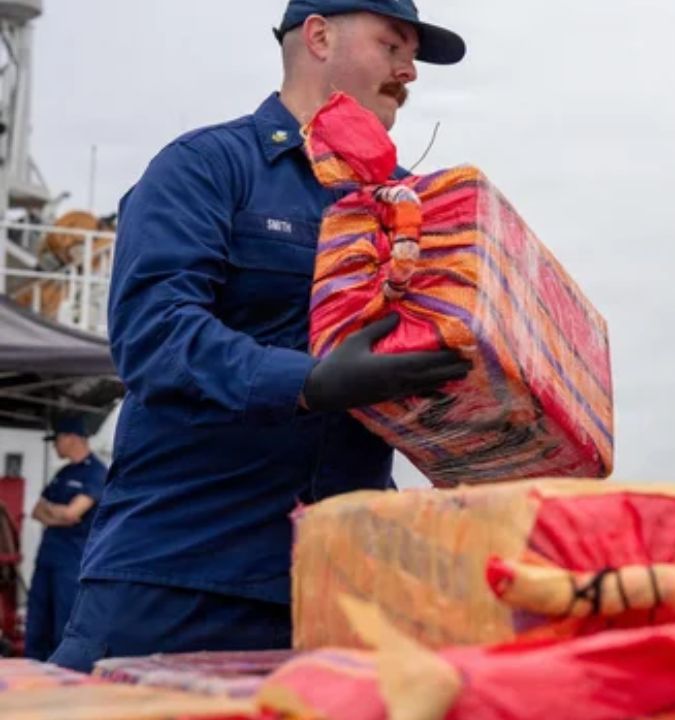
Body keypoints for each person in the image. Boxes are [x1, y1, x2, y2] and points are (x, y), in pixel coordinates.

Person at [50, 0, 473, 670]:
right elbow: (154, 333)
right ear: (319, 35)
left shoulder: (412, 210)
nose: (408, 71)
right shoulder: (205, 168)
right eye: (393, 46)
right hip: (179, 580)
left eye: (412, 56)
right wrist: (310, 381)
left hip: (345, 596)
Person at [24, 416, 106, 661]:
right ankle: (31, 678)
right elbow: (37, 511)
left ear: (70, 438)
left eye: (56, 440)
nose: (54, 447)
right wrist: (58, 514)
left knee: (63, 622)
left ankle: (59, 680)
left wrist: (55, 512)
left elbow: (73, 513)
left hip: (71, 562)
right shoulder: (63, 473)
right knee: (36, 621)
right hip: (47, 558)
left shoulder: (97, 472)